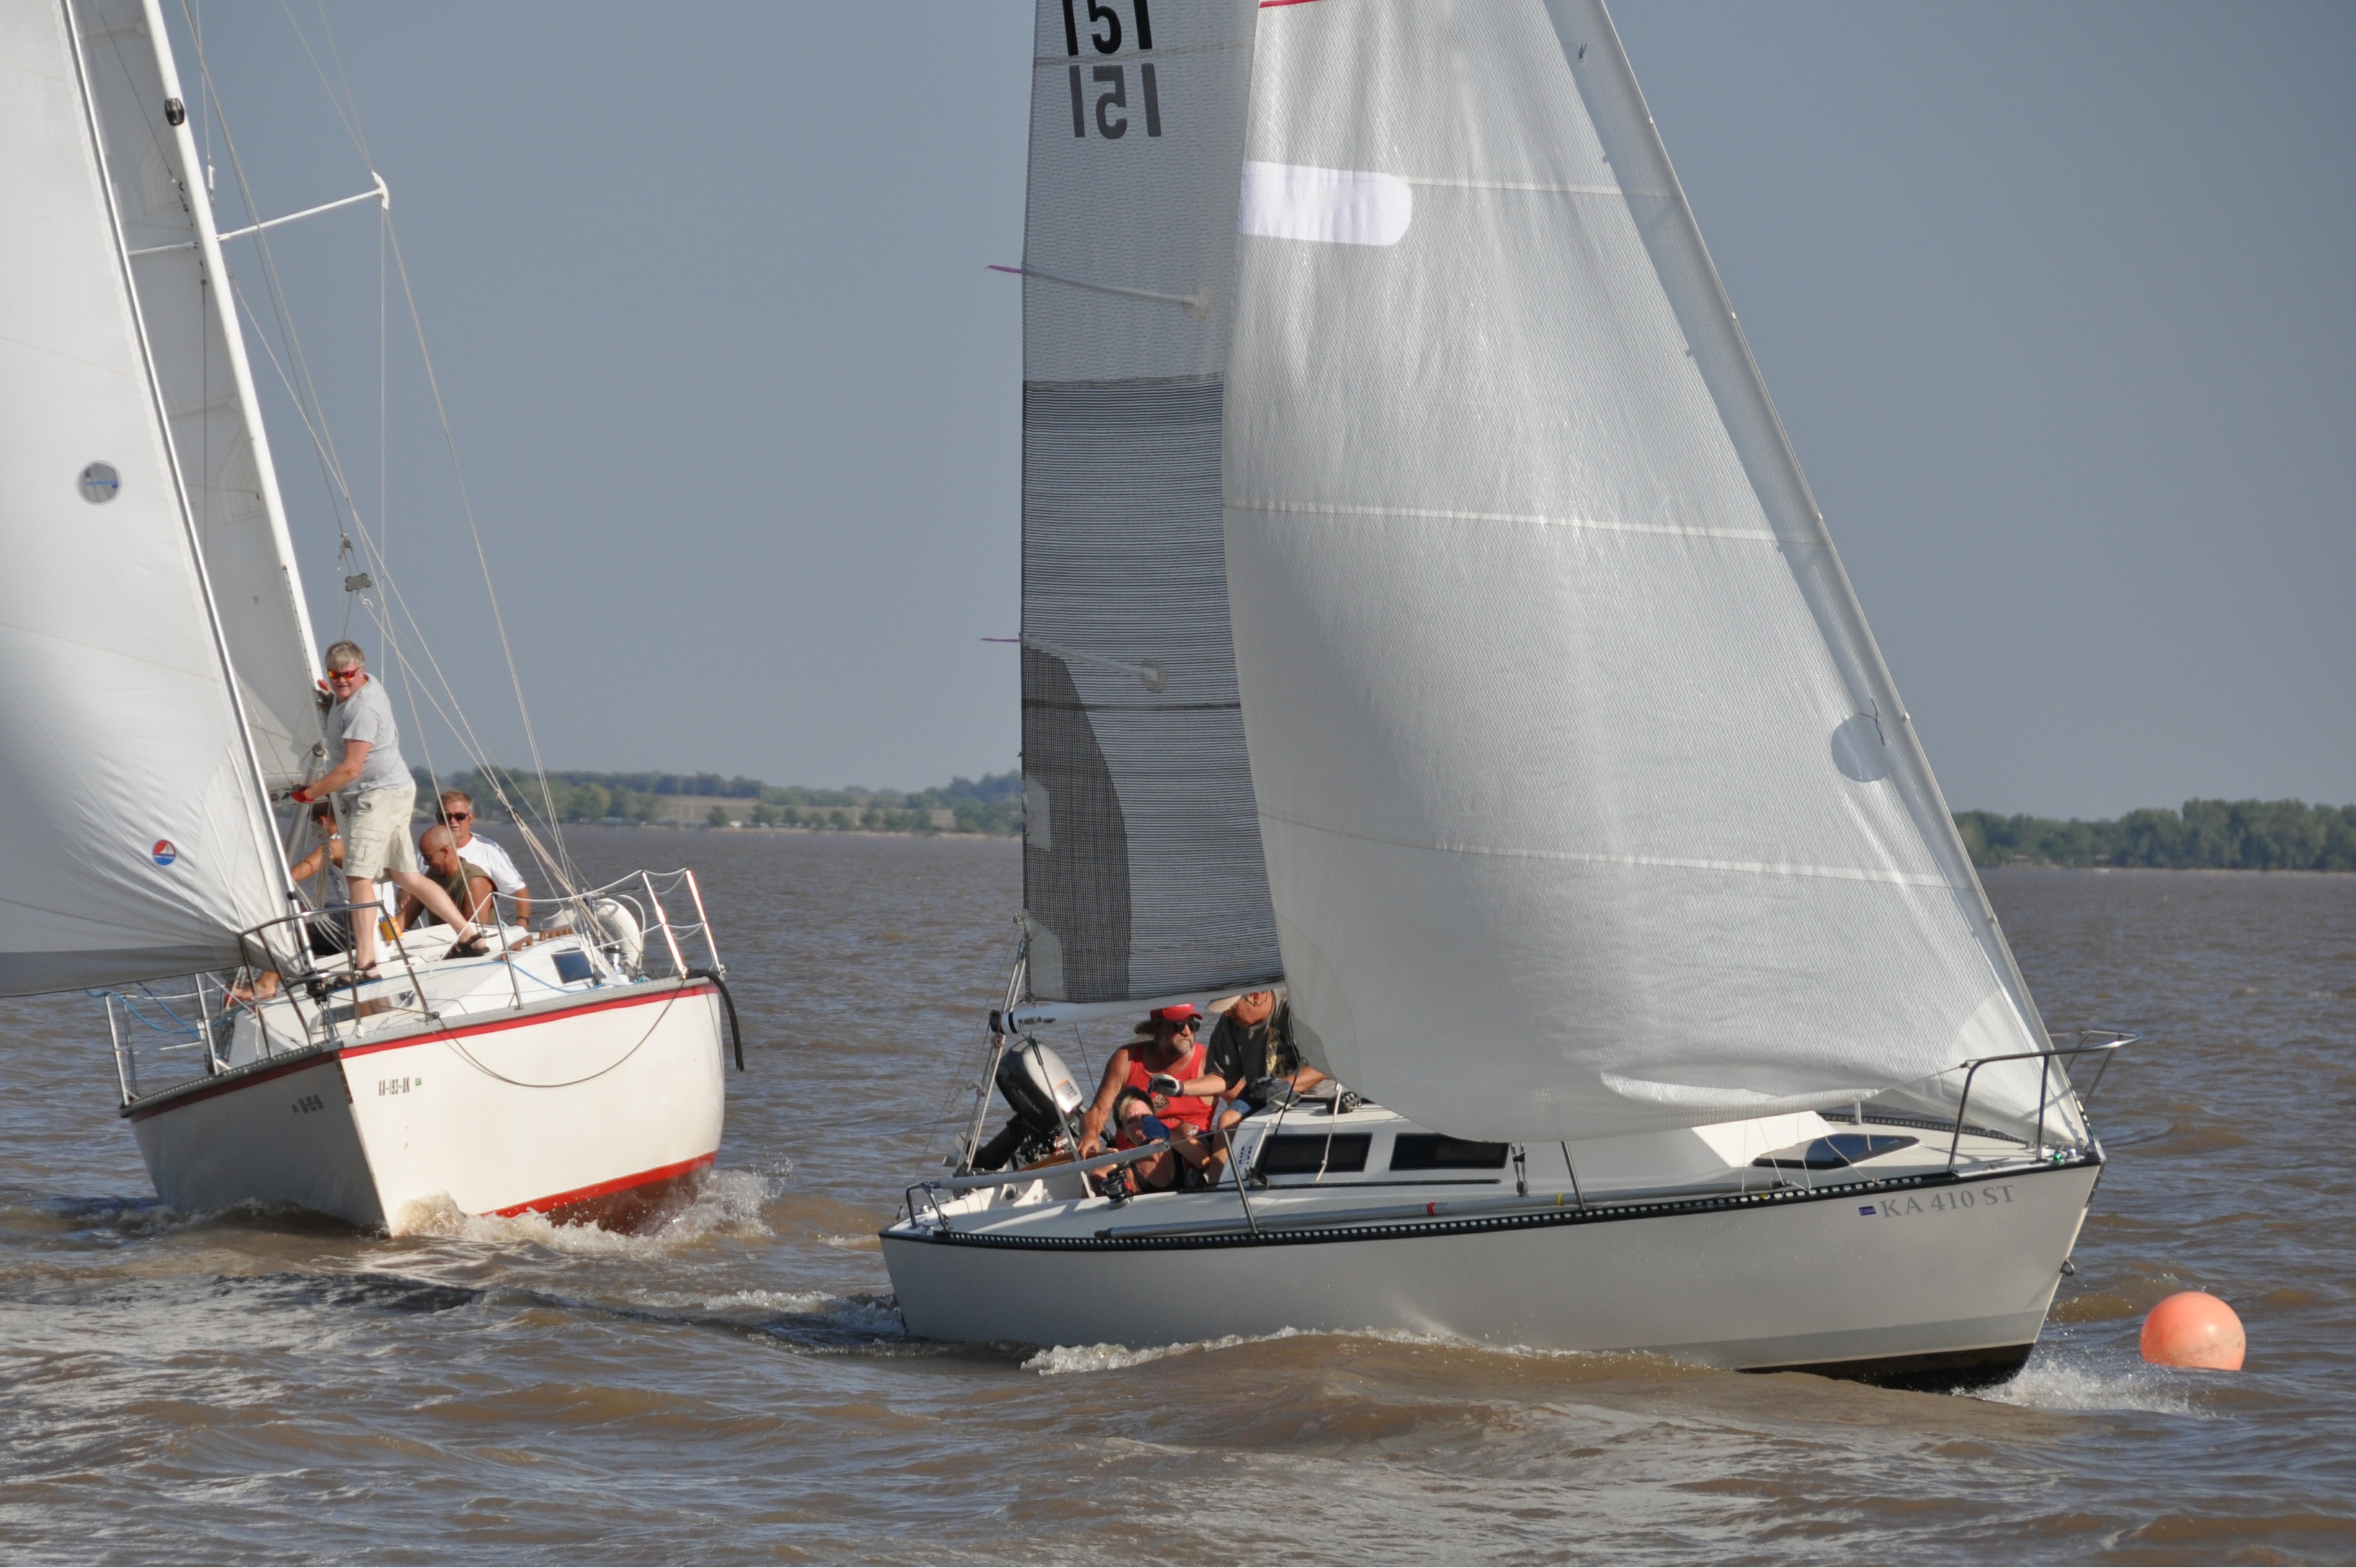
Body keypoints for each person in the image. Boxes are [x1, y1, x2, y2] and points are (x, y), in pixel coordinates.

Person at [288, 641, 485, 976]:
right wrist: (330, 703)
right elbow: (342, 706)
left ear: (360, 670)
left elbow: (350, 769)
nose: (341, 681)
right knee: (406, 876)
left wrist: (310, 794)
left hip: (376, 797)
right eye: (335, 675)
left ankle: (366, 963)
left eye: (348, 675)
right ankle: (470, 937)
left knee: (358, 877)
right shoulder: (357, 691)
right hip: (394, 791)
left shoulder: (364, 710)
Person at [1077, 1004, 1223, 1192]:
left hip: (1188, 1156)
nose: (1187, 1032)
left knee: (1188, 1130)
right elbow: (1097, 1111)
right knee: (1098, 1180)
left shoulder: (1207, 1061)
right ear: (1155, 1027)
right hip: (1132, 1155)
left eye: (1192, 1025)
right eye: (1178, 1026)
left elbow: (1241, 1102)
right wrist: (1090, 1134)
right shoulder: (1126, 1059)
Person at [1205, 989, 1328, 1126]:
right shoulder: (1229, 1021)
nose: (1226, 1013)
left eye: (1232, 1007)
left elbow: (1327, 1064)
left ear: (1255, 997)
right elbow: (1223, 1076)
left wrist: (1284, 1086)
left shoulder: (1298, 1008)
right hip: (1261, 1095)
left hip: (1315, 1095)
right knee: (1227, 1121)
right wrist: (1186, 1088)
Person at [436, 789, 530, 924]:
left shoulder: (489, 849)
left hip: (483, 930)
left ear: (471, 818)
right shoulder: (427, 853)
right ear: (438, 819)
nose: (453, 821)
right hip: (438, 931)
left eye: (460, 816)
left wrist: (521, 926)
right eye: (446, 816)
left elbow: (519, 890)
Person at [398, 825, 497, 933]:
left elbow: (474, 932)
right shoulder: (433, 875)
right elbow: (407, 916)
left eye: (428, 857)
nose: (425, 863)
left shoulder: (475, 881)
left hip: (473, 941)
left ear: (445, 852)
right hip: (444, 940)